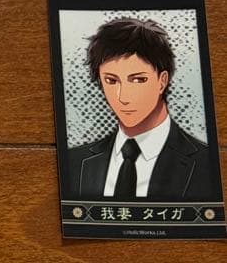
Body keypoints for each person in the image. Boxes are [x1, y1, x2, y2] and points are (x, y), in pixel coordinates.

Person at [67, 17, 214, 200]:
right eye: (111, 81)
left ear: (162, 81)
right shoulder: (74, 162)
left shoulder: (206, 163)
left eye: (138, 80)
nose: (123, 97)